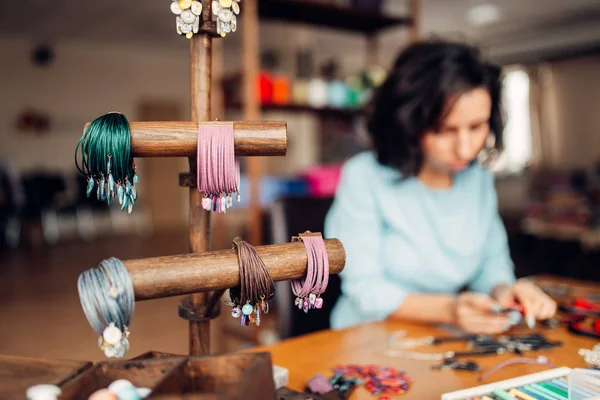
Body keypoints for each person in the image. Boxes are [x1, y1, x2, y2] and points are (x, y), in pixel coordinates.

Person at [324, 40, 556, 334]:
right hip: (368, 335)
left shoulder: (477, 178)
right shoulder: (364, 178)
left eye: (476, 127)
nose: (465, 148)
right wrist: (451, 310)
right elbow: (365, 288)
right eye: (445, 130)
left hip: (449, 337)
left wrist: (504, 292)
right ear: (408, 123)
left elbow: (491, 263)